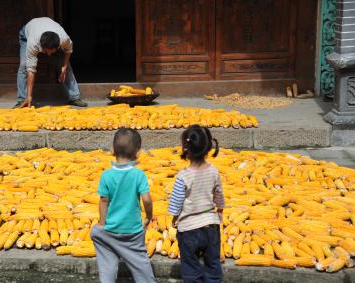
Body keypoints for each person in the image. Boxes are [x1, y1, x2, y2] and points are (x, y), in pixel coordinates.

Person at [90, 128, 156, 283]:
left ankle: (107, 280)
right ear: (138, 153)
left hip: (110, 232)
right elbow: (146, 199)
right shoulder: (139, 175)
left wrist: (101, 223)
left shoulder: (106, 175)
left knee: (99, 240)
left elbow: (104, 201)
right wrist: (149, 216)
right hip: (132, 233)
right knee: (141, 266)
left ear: (112, 150)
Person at [168, 125, 225, 283]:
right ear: (208, 148)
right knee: (213, 266)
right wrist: (220, 209)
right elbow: (218, 193)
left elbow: (177, 201)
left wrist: (174, 217)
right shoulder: (214, 171)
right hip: (211, 227)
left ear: (186, 149)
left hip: (189, 231)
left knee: (191, 268)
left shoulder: (183, 176)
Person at [16, 17, 87, 108]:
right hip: (26, 34)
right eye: (46, 52)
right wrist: (29, 96)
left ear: (58, 46)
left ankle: (74, 97)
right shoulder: (33, 43)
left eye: (52, 51)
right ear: (41, 46)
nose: (49, 55)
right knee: (24, 65)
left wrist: (64, 66)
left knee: (66, 66)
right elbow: (31, 70)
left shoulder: (64, 39)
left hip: (49, 29)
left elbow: (68, 51)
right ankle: (22, 99)